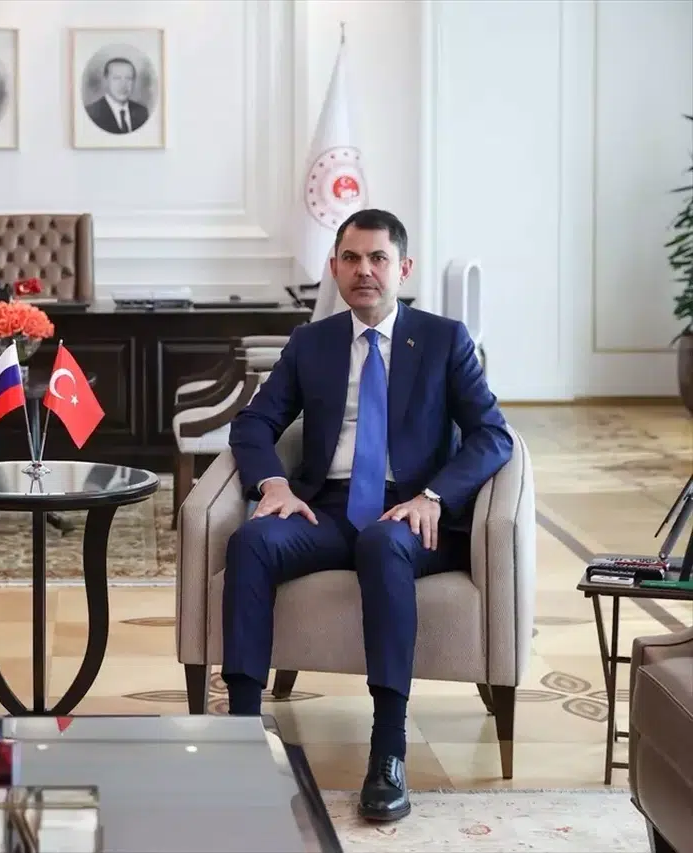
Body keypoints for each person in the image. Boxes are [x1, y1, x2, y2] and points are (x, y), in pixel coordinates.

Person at [222, 209, 512, 822]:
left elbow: (492, 435)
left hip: (413, 516)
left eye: (379, 258)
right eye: (351, 258)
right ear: (334, 268)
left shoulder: (444, 340)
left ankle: (388, 751)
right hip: (327, 510)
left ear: (403, 269)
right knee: (252, 542)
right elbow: (253, 422)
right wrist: (274, 483)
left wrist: (434, 497)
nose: (365, 271)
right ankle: (242, 733)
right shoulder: (312, 343)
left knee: (382, 543)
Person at [84, 57, 149, 134]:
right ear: (105, 81)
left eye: (128, 78)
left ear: (134, 81)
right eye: (117, 78)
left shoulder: (142, 112)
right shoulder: (92, 113)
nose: (123, 85)